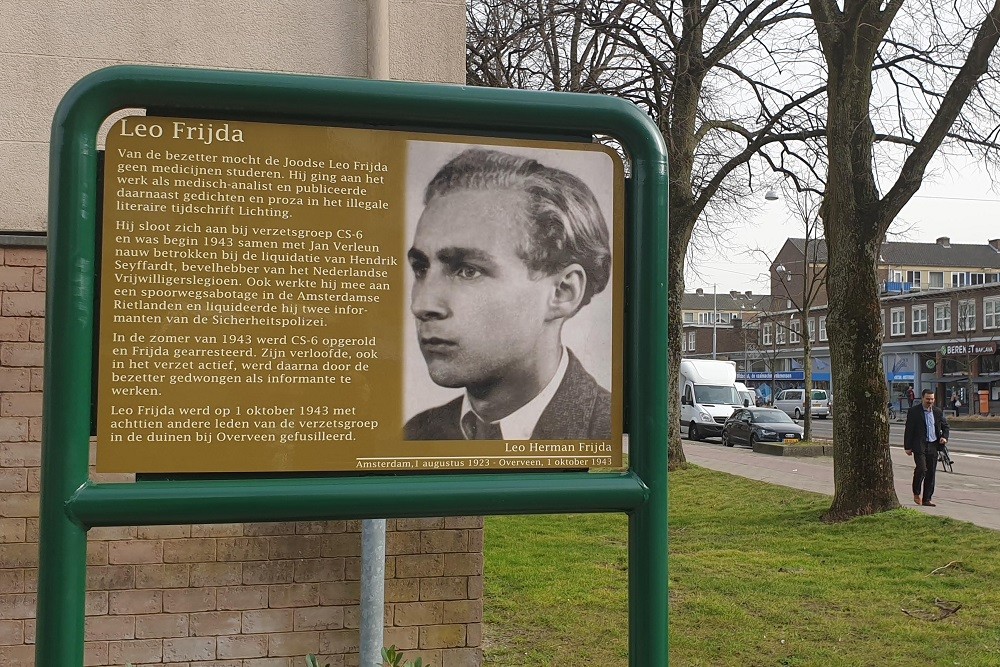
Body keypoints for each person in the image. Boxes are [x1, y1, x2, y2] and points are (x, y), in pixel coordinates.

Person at [404, 147, 612, 440]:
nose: (421, 304)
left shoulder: (605, 429)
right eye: (421, 268)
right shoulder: (415, 434)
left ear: (563, 291)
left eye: (467, 270)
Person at [903, 388, 949, 507]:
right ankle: (916, 492)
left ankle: (927, 499)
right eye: (928, 399)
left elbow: (945, 426)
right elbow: (909, 430)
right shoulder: (914, 411)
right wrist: (907, 447)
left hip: (933, 444)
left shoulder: (937, 412)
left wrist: (944, 437)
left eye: (932, 399)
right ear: (922, 398)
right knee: (922, 469)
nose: (930, 401)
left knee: (931, 473)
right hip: (919, 445)